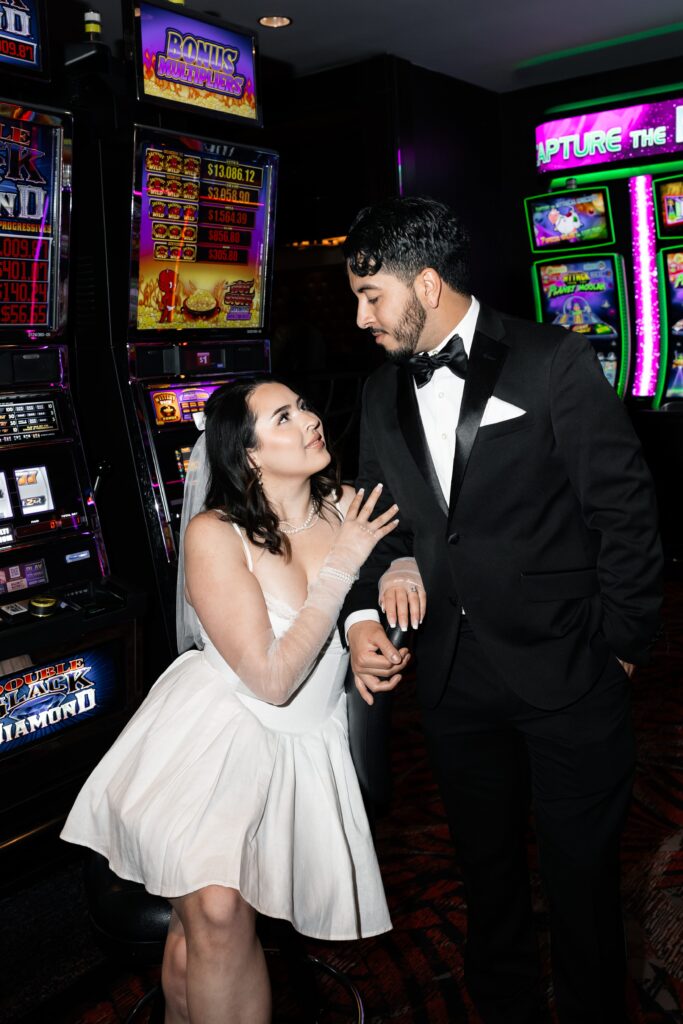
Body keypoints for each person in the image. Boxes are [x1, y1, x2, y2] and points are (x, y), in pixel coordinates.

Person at [341, 197, 662, 1024]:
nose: (360, 316)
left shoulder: (551, 358)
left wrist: (620, 648)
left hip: (568, 666)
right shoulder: (379, 391)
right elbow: (377, 523)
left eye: (372, 296)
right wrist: (394, 563)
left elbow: (623, 511)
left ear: (427, 282)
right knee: (484, 874)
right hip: (449, 677)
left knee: (580, 879)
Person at [62, 376, 414, 1024]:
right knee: (217, 911)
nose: (309, 418)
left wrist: (388, 584)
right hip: (217, 732)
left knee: (198, 927)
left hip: (305, 744)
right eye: (284, 416)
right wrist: (345, 568)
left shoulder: (348, 508)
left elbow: (404, 555)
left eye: (304, 405)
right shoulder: (213, 533)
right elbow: (272, 682)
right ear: (249, 454)